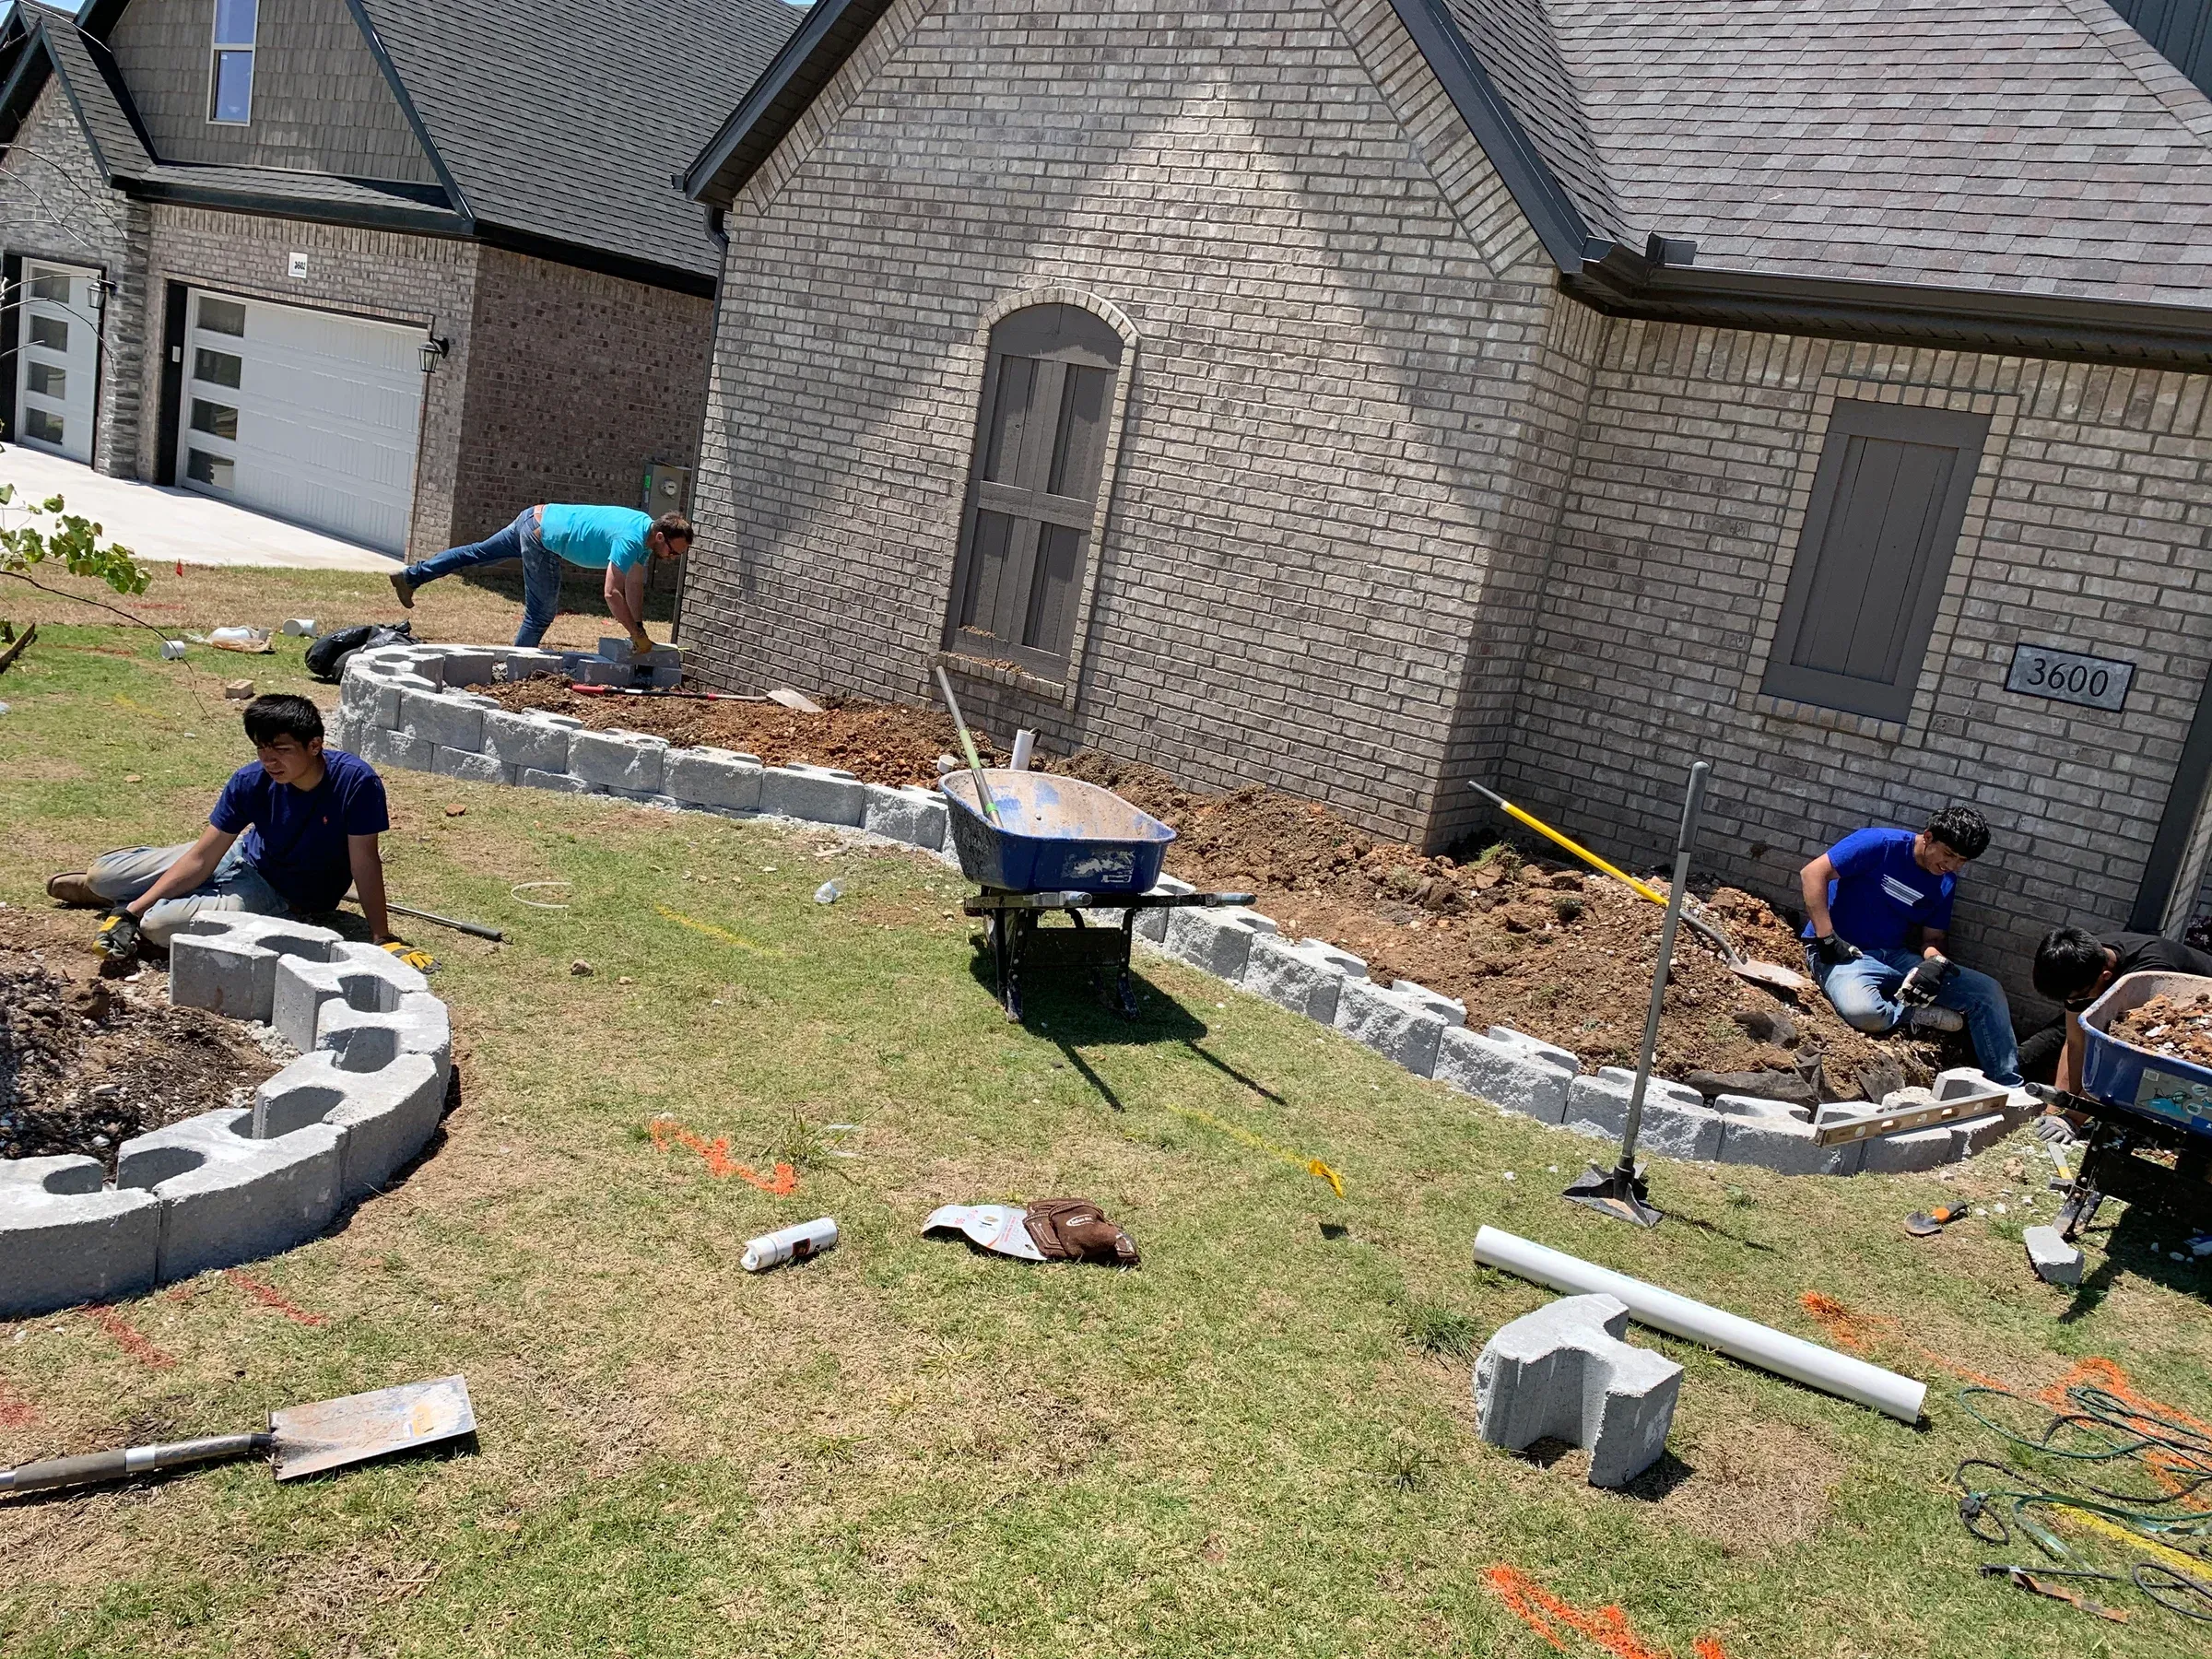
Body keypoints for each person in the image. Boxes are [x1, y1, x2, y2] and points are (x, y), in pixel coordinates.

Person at [45, 693, 396, 955]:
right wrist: (129, 913)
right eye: (261, 749)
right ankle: (115, 892)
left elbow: (364, 861)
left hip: (280, 892)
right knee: (101, 876)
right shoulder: (250, 780)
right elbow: (203, 858)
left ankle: (133, 896)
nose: (269, 761)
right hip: (239, 856)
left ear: (315, 745)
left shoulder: (355, 783)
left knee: (159, 926)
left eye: (281, 750)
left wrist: (382, 936)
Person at [1798, 806, 2023, 1086]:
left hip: (1894, 957)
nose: (1952, 866)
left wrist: (1934, 965)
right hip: (1843, 952)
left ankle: (2010, 1086)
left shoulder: (1945, 881)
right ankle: (1914, 1012)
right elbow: (1812, 874)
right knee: (1864, 1012)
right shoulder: (1880, 844)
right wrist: (1826, 937)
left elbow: (1932, 940)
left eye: (1962, 860)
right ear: (1928, 836)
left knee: (1988, 992)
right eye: (1949, 855)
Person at [389, 504, 691, 650]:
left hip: (535, 515)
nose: (673, 559)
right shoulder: (630, 539)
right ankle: (515, 669)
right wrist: (637, 636)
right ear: (662, 536)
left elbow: (634, 584)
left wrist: (638, 629)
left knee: (477, 553)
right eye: (674, 552)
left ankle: (411, 577)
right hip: (540, 537)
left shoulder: (645, 533)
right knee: (541, 613)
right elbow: (612, 592)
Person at [2021, 925, 2212, 1141]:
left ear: (2106, 976)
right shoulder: (2078, 962)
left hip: (2199, 1017)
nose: (2073, 1003)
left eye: (2078, 998)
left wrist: (2073, 1119)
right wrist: (2055, 1108)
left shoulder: (2147, 977)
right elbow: (2076, 1041)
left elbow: (2125, 1060)